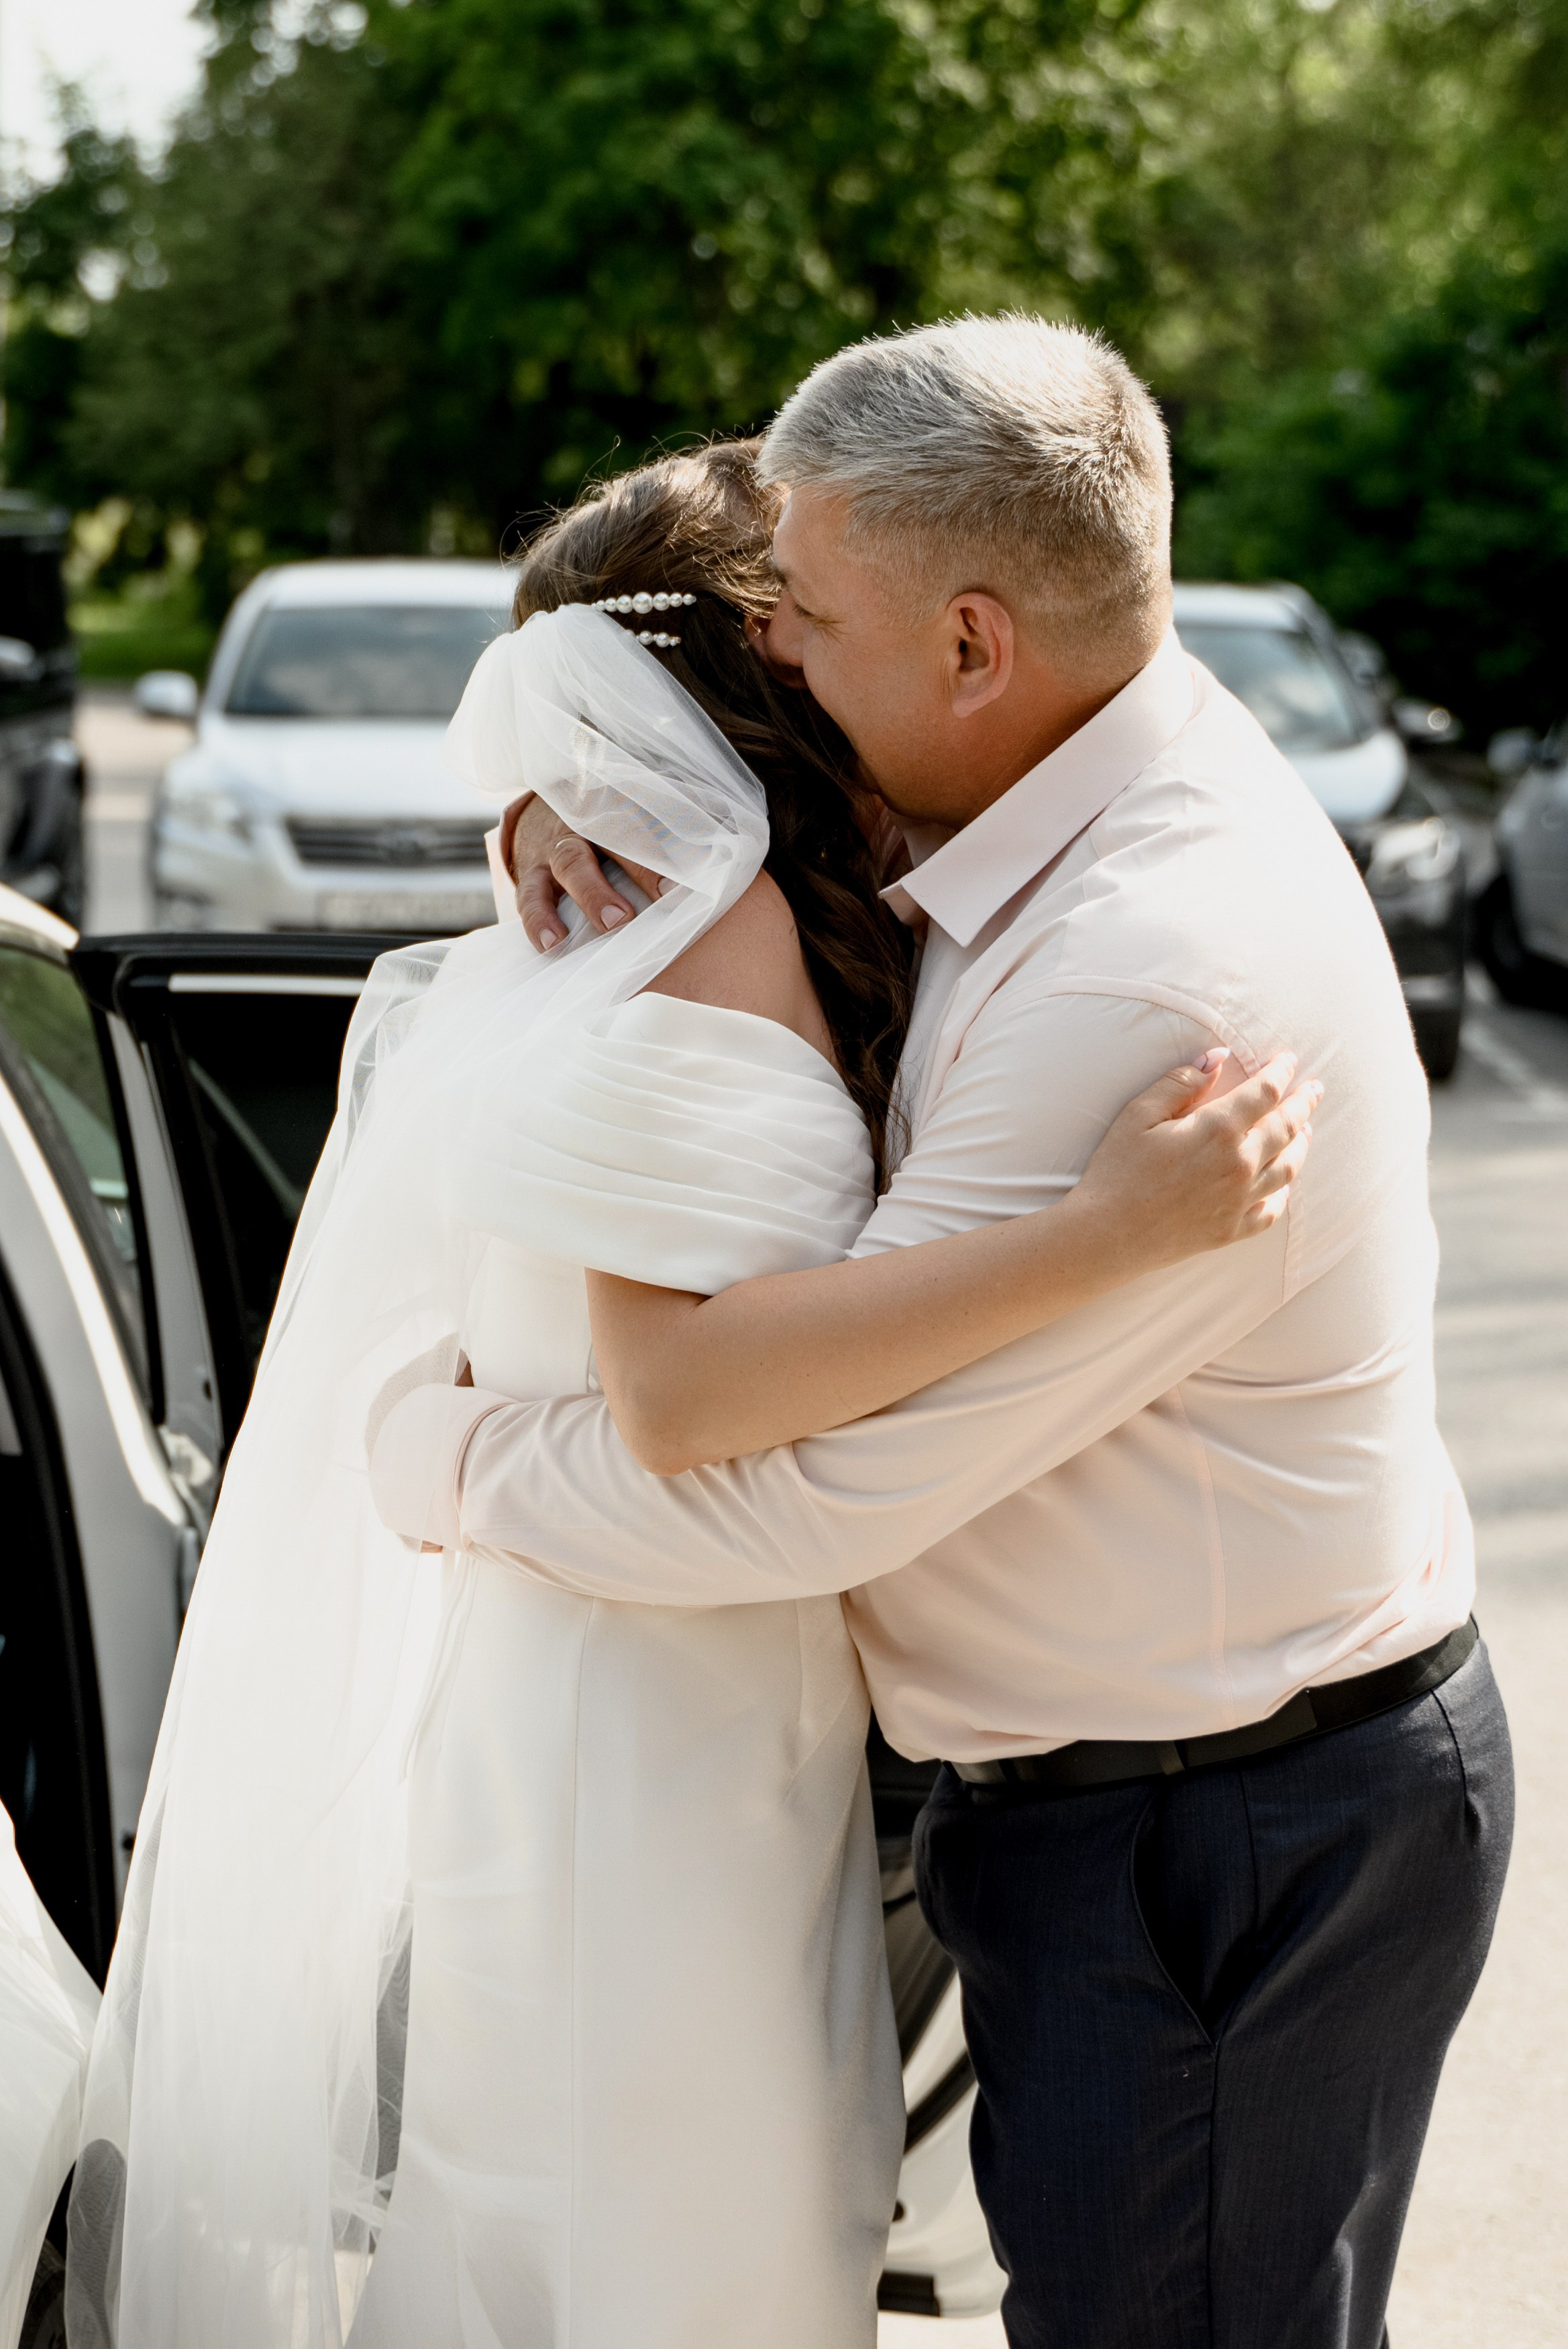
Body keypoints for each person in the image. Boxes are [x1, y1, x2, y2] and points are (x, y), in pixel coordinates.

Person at [66, 438, 1308, 2349]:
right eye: (805, 619)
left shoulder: (696, 907)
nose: (840, 644)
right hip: (628, 1739)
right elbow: (674, 1395)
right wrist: (1107, 1234)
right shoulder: (695, 937)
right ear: (759, 671)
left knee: (681, 2221)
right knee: (666, 2233)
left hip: (693, 1706)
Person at [376, 317, 1514, 2349]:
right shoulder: (1044, 773)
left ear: (975, 646)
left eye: (804, 617)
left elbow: (789, 1494)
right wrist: (594, 810)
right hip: (1108, 1791)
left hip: (1222, 1831)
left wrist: (431, 1462)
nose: (780, 655)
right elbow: (774, 869)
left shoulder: (1147, 982)